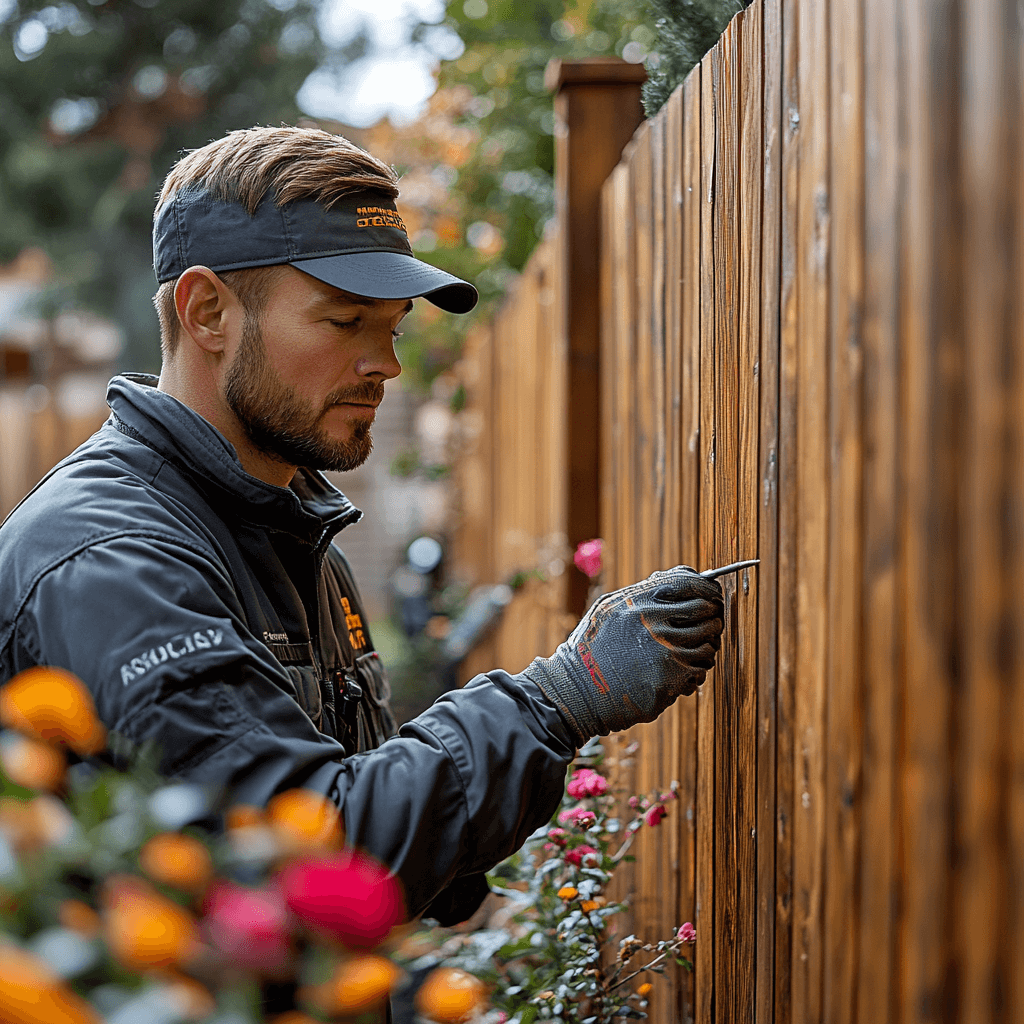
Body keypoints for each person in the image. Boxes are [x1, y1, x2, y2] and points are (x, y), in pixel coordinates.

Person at [0, 127, 724, 929]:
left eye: (394, 326)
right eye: (346, 322)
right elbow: (309, 866)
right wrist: (559, 700)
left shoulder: (289, 528)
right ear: (208, 311)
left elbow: (400, 861)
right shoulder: (113, 560)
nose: (387, 364)